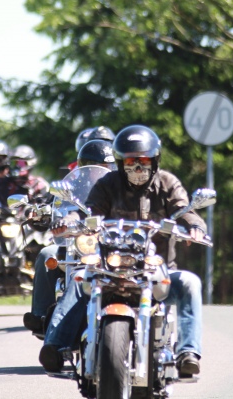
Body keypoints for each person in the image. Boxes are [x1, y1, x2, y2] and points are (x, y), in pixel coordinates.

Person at [38, 125, 207, 378]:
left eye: (143, 160)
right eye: (130, 161)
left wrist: (194, 227)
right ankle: (55, 345)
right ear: (120, 162)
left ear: (154, 160)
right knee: (80, 278)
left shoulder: (167, 183)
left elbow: (184, 210)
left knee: (190, 283)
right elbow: (88, 211)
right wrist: (69, 222)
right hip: (111, 265)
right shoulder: (108, 183)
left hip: (155, 268)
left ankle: (188, 353)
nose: (137, 167)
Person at [23, 139, 117, 336]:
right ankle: (41, 316)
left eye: (106, 166)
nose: (102, 170)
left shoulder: (119, 187)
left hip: (109, 245)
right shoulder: (71, 185)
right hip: (75, 243)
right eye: (97, 166)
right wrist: (43, 214)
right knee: (47, 254)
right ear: (84, 166)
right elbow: (54, 204)